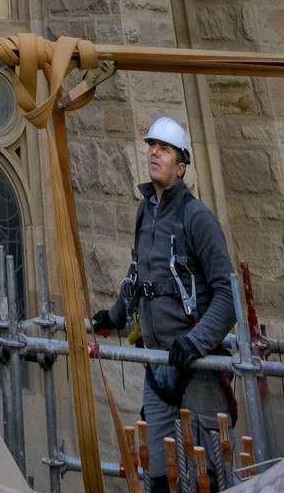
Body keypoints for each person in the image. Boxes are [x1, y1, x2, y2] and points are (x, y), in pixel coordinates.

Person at [91, 117, 236, 493]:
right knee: (158, 475)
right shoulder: (146, 212)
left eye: (164, 148)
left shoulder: (197, 218)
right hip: (158, 367)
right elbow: (138, 273)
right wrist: (116, 314)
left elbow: (227, 297)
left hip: (198, 367)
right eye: (151, 145)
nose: (154, 152)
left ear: (180, 166)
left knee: (206, 477)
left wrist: (196, 342)